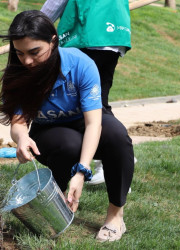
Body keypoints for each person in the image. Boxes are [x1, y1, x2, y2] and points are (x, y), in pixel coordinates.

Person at [0, 10, 134, 242]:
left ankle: (115, 216)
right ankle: (56, 200)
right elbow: (18, 123)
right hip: (49, 133)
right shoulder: (18, 73)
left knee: (116, 135)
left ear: (53, 42)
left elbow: (94, 123)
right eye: (20, 53)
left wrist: (82, 171)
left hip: (85, 122)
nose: (26, 61)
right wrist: (22, 138)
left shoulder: (80, 64)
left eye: (35, 52)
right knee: (68, 144)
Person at [40, 0, 133, 185]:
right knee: (99, 103)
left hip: (88, 34)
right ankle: (115, 161)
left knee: (89, 106)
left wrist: (34, 26)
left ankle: (113, 161)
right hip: (114, 34)